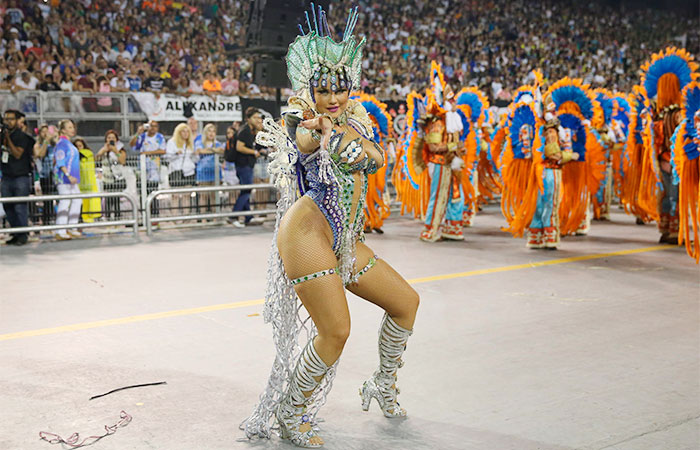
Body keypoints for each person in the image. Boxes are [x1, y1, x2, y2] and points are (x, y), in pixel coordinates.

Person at [242, 7, 419, 448]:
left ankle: (383, 383)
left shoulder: (355, 123)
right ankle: (292, 412)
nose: (333, 97)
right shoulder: (307, 125)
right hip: (306, 234)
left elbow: (378, 158)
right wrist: (314, 128)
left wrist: (346, 136)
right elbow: (303, 140)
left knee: (406, 303)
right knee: (336, 331)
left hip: (344, 240)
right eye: (323, 90)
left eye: (340, 87)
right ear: (311, 92)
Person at [1, 109, 35, 245]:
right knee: (8, 206)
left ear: (16, 121)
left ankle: (23, 235)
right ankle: (15, 233)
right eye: (6, 119)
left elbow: (17, 154)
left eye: (11, 119)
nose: (8, 122)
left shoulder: (22, 137)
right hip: (7, 176)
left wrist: (7, 139)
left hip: (21, 177)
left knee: (20, 207)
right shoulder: (2, 135)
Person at [232, 107, 262, 227]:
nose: (257, 120)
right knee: (246, 190)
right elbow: (239, 147)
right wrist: (253, 152)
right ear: (248, 119)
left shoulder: (251, 131)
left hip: (247, 165)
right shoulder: (244, 131)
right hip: (243, 165)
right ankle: (233, 215)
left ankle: (248, 217)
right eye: (254, 117)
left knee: (246, 190)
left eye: (258, 117)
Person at [53, 119, 82, 240]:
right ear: (63, 130)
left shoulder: (69, 144)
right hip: (64, 178)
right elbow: (60, 162)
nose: (72, 129)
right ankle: (60, 230)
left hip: (72, 178)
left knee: (77, 200)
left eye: (72, 127)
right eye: (69, 127)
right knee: (65, 202)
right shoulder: (61, 144)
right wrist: (68, 175)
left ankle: (72, 227)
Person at [130, 120, 166, 215]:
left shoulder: (159, 137)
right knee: (142, 193)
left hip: (154, 170)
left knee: (153, 193)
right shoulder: (142, 136)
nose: (153, 128)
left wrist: (147, 153)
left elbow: (162, 151)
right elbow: (132, 145)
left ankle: (154, 215)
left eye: (155, 126)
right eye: (151, 126)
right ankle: (144, 214)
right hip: (142, 169)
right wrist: (138, 133)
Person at [165, 123, 196, 214]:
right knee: (175, 195)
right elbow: (168, 157)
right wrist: (176, 154)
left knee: (187, 195)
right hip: (176, 171)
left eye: (187, 131)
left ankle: (186, 216)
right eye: (183, 131)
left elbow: (194, 159)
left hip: (189, 172)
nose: (186, 133)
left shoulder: (190, 143)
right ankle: (175, 217)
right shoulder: (172, 142)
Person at [96, 130, 127, 219]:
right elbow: (96, 159)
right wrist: (103, 151)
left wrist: (115, 151)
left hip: (117, 177)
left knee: (116, 198)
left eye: (113, 138)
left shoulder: (120, 149)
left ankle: (117, 216)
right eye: (109, 138)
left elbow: (122, 161)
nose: (111, 139)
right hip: (106, 177)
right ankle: (108, 216)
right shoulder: (104, 150)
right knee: (108, 199)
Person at [194, 123, 224, 213]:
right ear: (205, 132)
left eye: (213, 131)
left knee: (214, 196)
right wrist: (214, 150)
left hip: (215, 172)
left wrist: (209, 150)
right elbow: (199, 151)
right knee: (203, 196)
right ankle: (203, 218)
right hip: (203, 173)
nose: (211, 133)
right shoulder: (199, 142)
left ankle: (215, 217)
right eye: (209, 131)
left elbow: (222, 151)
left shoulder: (217, 143)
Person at [73, 136, 101, 223]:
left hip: (88, 182)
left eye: (80, 146)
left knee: (89, 201)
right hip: (78, 182)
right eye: (76, 146)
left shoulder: (88, 154)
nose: (78, 148)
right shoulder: (74, 156)